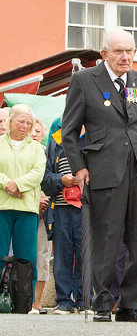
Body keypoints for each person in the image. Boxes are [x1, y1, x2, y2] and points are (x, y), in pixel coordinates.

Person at [61, 28, 137, 323]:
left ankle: (130, 304)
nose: (125, 57)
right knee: (106, 239)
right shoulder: (84, 80)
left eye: (130, 51)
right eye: (118, 51)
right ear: (104, 54)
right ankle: (102, 302)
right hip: (104, 171)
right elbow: (68, 132)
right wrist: (79, 167)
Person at [0, 104, 46, 307]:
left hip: (26, 208)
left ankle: (24, 301)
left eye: (29, 123)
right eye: (21, 121)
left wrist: (17, 184)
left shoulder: (36, 147)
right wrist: (7, 184)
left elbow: (38, 173)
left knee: (27, 256)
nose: (25, 126)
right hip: (2, 206)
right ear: (10, 121)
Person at [42, 117, 84, 314]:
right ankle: (64, 300)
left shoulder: (94, 138)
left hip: (87, 209)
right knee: (62, 255)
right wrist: (62, 180)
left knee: (87, 254)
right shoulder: (55, 141)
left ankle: (85, 300)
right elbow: (45, 179)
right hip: (60, 208)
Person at [30, 116, 50, 313]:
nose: (34, 134)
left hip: (45, 214)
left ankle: (36, 301)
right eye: (31, 130)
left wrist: (45, 198)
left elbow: (52, 179)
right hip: (22, 208)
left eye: (38, 131)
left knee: (42, 257)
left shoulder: (48, 153)